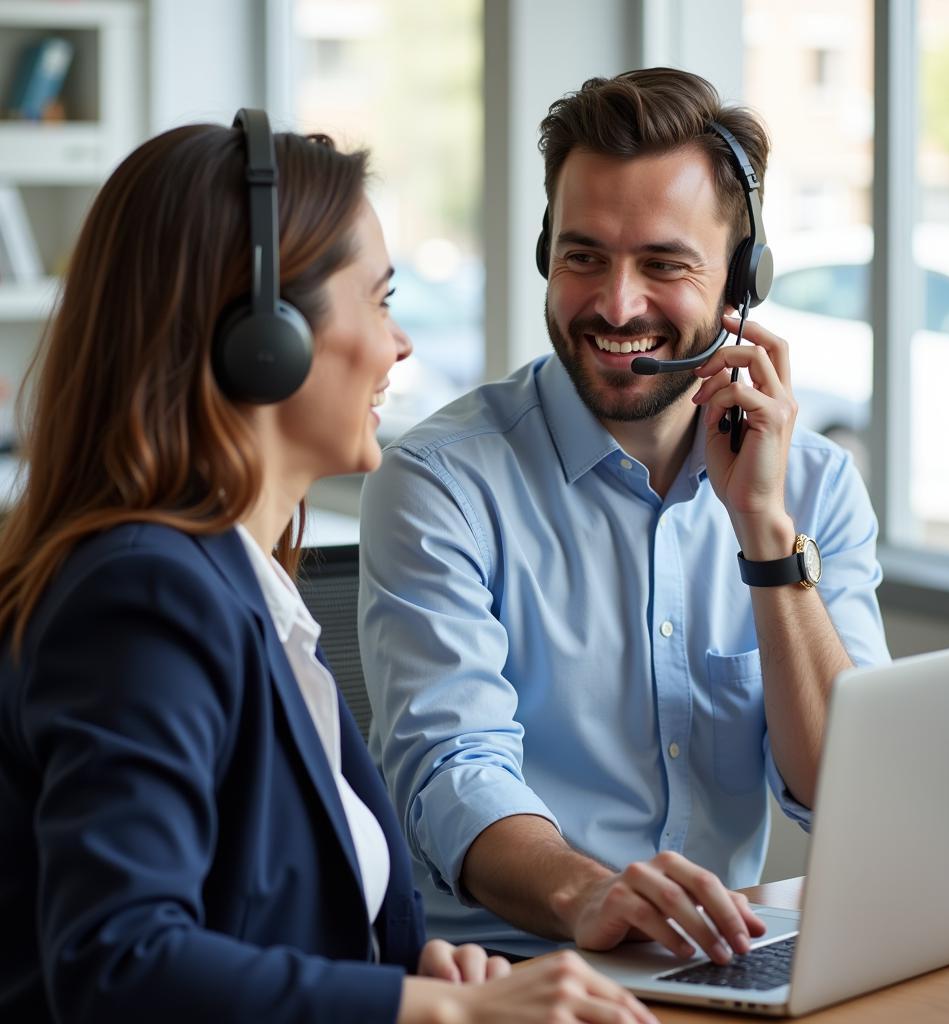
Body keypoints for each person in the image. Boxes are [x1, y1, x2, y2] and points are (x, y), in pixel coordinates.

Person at [0, 111, 658, 1024]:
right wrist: (435, 1013)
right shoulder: (141, 595)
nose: (401, 346)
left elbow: (262, 919)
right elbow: (122, 965)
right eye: (380, 300)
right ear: (262, 337)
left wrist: (416, 972)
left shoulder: (240, 584)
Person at [358, 68, 891, 961]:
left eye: (664, 264)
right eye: (584, 256)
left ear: (740, 286)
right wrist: (595, 895)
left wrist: (763, 531)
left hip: (715, 963)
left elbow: (848, 789)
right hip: (510, 973)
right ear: (546, 256)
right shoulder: (439, 481)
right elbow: (453, 773)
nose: (615, 305)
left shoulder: (816, 486)